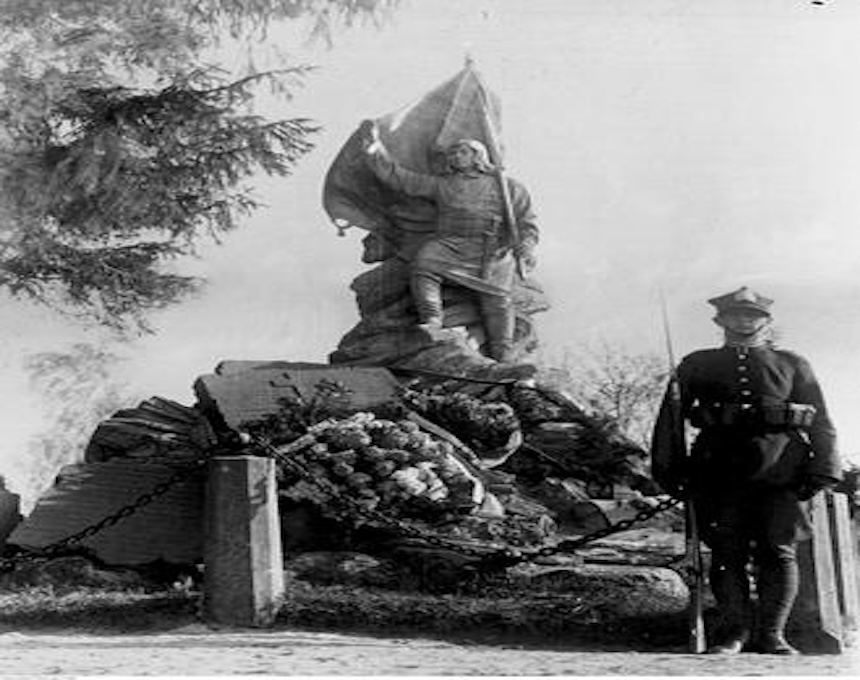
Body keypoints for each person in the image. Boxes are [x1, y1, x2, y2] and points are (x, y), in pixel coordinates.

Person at [651, 286, 841, 656]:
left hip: (782, 471)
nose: (744, 321)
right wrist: (671, 470)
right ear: (720, 320)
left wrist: (824, 468)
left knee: (779, 552)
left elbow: (822, 420)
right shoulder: (697, 363)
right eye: (736, 315)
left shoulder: (792, 363)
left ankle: (772, 635)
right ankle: (733, 633)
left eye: (753, 315)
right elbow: (670, 421)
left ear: (766, 321)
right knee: (727, 554)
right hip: (718, 470)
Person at [361, 122, 538, 363]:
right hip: (449, 244)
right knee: (424, 265)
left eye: (462, 152)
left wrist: (526, 247)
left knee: (497, 302)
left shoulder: (508, 187)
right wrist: (374, 149)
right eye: (453, 153)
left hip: (491, 251)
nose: (456, 156)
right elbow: (399, 178)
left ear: (478, 156)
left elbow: (526, 222)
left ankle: (503, 353)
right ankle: (433, 320)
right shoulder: (442, 183)